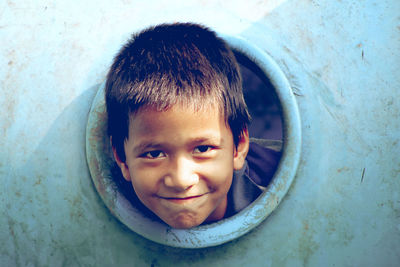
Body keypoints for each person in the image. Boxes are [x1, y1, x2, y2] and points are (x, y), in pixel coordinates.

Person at [105, 22, 281, 229]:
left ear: (239, 146)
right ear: (122, 159)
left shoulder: (275, 189)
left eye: (203, 149)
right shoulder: (105, 208)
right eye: (154, 154)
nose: (181, 180)